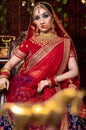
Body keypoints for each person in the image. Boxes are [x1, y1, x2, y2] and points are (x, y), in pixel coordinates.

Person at [0, 1, 85, 130]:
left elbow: (74, 71)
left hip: (56, 85)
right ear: (34, 22)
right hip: (27, 85)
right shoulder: (29, 43)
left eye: (45, 16)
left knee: (70, 112)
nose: (42, 21)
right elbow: (10, 63)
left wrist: (51, 81)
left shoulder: (65, 43)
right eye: (37, 18)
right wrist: (3, 76)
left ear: (53, 18)